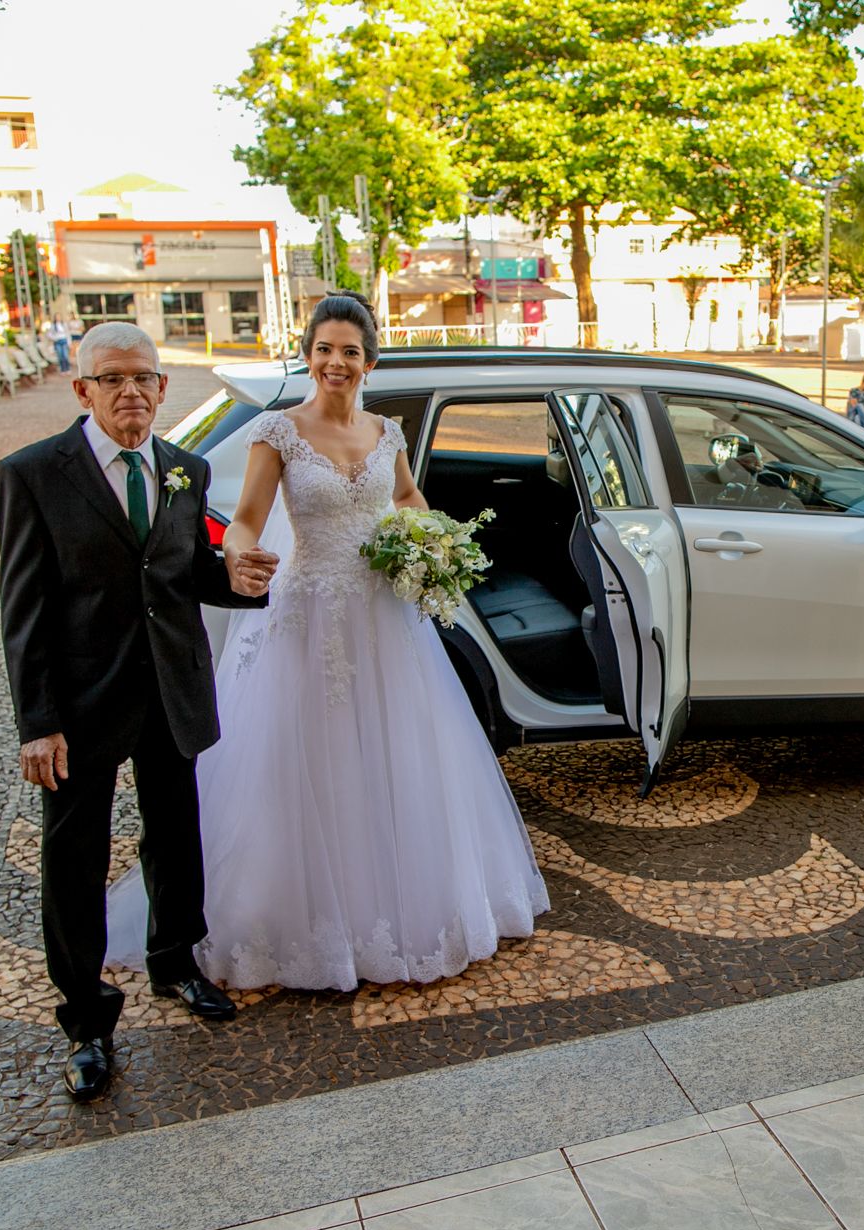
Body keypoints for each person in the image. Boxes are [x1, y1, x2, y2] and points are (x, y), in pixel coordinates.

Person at [106, 292, 549, 991]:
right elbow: (248, 520)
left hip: (383, 618)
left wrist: (427, 541)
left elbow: (406, 499)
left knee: (399, 755)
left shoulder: (388, 433)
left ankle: (404, 905)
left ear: (368, 360)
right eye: (324, 349)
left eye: (349, 350)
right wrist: (239, 557)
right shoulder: (278, 433)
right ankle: (289, 918)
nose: (335, 362)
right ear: (309, 355)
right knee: (304, 762)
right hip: (308, 619)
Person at [0, 322, 277, 1102]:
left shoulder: (182, 470)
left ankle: (175, 962)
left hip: (170, 688)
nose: (130, 391)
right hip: (81, 704)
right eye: (112, 378)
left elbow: (185, 573)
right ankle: (88, 1022)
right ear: (81, 389)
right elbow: (25, 612)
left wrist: (241, 579)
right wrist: (37, 722)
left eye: (143, 378)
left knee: (176, 832)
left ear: (161, 389)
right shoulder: (32, 475)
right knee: (75, 861)